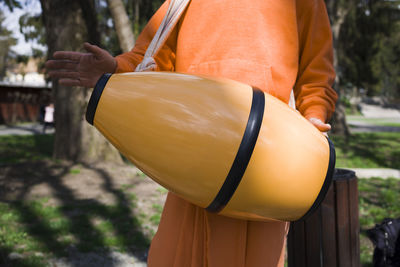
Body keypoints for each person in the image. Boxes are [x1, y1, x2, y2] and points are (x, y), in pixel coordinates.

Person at [45, 0, 338, 266]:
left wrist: (313, 118)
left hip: (267, 158)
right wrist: (115, 70)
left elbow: (316, 73)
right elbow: (151, 58)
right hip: (194, 151)